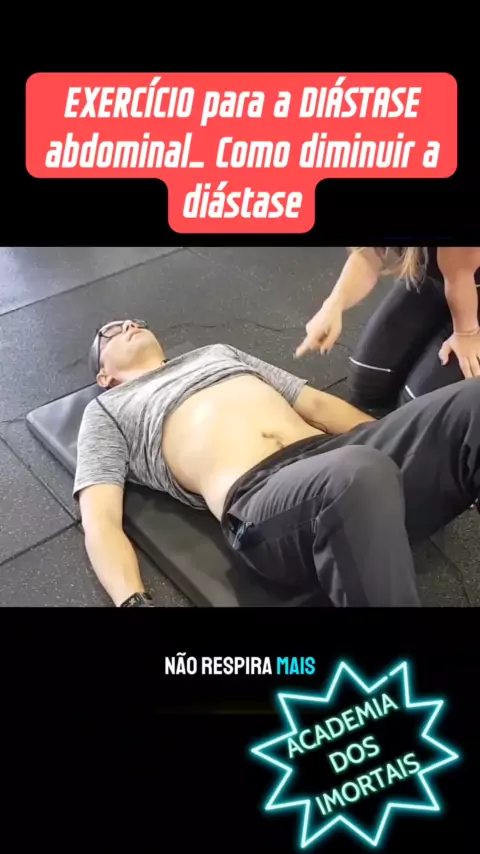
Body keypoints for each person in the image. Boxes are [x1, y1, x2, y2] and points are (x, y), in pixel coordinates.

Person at [74, 319, 480, 609]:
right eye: (111, 331)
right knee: (357, 473)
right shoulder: (108, 409)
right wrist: (133, 602)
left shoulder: (216, 353)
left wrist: (408, 446)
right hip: (263, 497)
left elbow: (316, 405)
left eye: (135, 322)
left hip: (338, 452)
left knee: (472, 400)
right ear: (104, 376)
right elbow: (100, 520)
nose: (129, 325)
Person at [296, 247, 480, 409]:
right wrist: (334, 304)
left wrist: (466, 334)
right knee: (367, 383)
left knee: (417, 406)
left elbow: (459, 275)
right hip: (443, 276)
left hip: (464, 276)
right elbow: (368, 256)